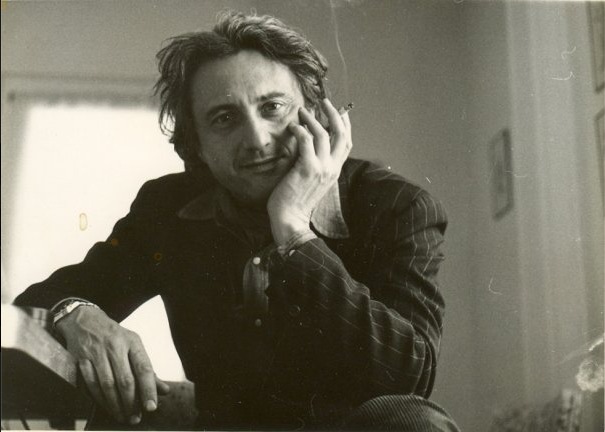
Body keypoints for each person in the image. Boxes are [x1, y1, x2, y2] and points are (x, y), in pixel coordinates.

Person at [13, 10, 459, 431]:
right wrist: (78, 314)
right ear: (196, 144)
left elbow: (410, 377)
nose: (257, 140)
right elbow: (37, 301)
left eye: (273, 108)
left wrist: (294, 233)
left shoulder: (396, 205)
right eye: (224, 118)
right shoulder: (167, 207)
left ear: (318, 115)